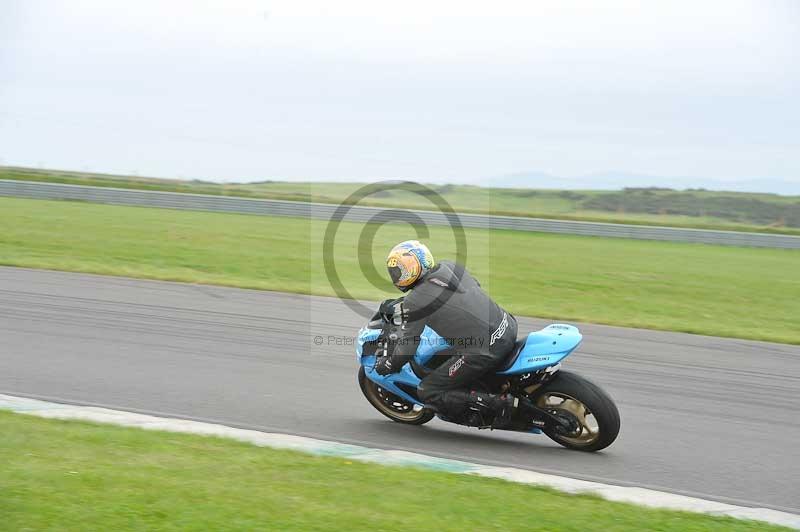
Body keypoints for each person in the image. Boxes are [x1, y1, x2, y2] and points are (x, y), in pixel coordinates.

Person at [375, 240, 519, 428]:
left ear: (422, 262)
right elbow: (475, 285)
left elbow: (408, 346)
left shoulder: (415, 301)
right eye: (397, 272)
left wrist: (388, 364)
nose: (401, 275)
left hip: (484, 349)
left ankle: (500, 405)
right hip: (507, 324)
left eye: (407, 269)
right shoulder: (450, 266)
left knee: (429, 390)